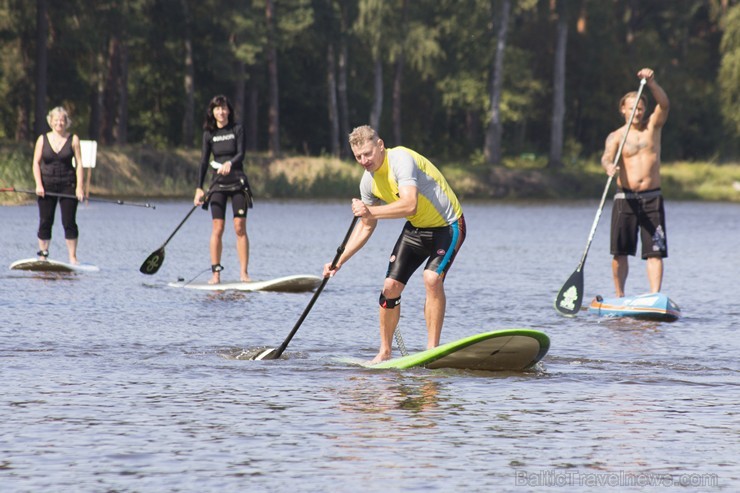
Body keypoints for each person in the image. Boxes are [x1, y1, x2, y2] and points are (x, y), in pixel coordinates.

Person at [323, 125, 466, 363]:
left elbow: (410, 205)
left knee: (431, 278)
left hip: (448, 225)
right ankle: (385, 352)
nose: (364, 160)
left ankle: (432, 349)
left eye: (367, 153)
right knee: (389, 287)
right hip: (416, 229)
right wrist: (339, 261)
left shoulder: (401, 159)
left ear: (380, 145)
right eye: (358, 157)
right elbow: (366, 226)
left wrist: (370, 210)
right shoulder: (368, 182)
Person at [601, 68, 670, 298]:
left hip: (652, 197)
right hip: (626, 199)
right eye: (632, 108)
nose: (637, 112)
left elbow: (665, 104)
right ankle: (620, 296)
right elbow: (606, 157)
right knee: (620, 252)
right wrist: (609, 167)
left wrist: (651, 83)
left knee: (655, 252)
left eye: (640, 108)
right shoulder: (616, 136)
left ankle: (654, 296)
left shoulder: (653, 127)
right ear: (623, 110)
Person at [193, 95, 253, 284]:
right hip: (217, 183)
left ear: (229, 111)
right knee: (217, 228)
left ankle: (243, 274)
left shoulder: (237, 129)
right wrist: (199, 188)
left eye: (224, 108)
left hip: (237, 182)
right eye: (217, 109)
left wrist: (229, 163)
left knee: (239, 227)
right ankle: (216, 274)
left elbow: (241, 154)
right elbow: (204, 161)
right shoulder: (208, 134)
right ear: (212, 112)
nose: (221, 112)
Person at [32, 106, 85, 264]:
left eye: (62, 120)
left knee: (69, 222)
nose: (59, 123)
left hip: (68, 184)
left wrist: (79, 187)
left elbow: (80, 164)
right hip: (47, 186)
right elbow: (36, 162)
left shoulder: (73, 139)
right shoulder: (42, 139)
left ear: (66, 122)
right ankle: (43, 254)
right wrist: (38, 184)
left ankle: (72, 257)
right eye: (56, 120)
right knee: (45, 221)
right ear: (51, 121)